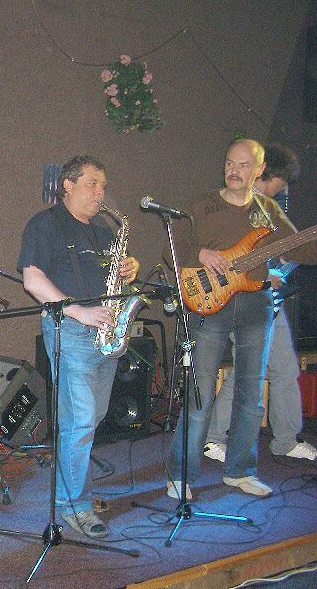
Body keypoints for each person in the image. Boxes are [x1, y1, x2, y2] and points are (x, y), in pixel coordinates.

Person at [165, 139, 317, 501]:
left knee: (251, 394)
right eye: (229, 163)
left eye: (243, 165)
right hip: (210, 302)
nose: (234, 171)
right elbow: (173, 249)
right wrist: (200, 253)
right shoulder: (202, 205)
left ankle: (241, 470)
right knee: (200, 396)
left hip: (255, 304)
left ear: (260, 170)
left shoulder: (268, 210)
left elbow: (298, 247)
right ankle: (181, 475)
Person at [17, 155, 139, 539]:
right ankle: (75, 506)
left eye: (103, 186)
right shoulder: (45, 224)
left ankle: (71, 488)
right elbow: (32, 279)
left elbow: (114, 278)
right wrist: (79, 312)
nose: (100, 193)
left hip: (105, 333)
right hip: (70, 330)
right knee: (81, 421)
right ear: (67, 185)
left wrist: (130, 269)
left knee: (91, 419)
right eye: (92, 183)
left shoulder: (103, 230)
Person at [204, 143, 316, 462]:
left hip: (266, 300)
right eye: (283, 181)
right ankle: (213, 437)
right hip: (238, 299)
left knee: (285, 368)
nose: (284, 188)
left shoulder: (268, 209)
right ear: (271, 173)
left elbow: (287, 249)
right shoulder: (235, 203)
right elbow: (223, 253)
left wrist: (274, 267)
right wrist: (266, 274)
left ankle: (286, 440)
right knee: (247, 370)